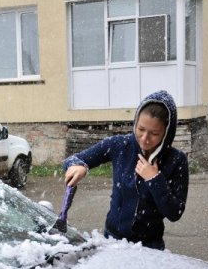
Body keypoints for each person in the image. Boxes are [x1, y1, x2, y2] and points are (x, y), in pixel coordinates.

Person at [63, 90, 189, 250]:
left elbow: (174, 212)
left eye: (154, 133)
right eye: (141, 129)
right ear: (135, 122)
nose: (145, 138)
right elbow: (73, 160)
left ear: (167, 132)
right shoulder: (120, 145)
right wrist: (80, 166)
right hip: (113, 242)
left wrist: (154, 179)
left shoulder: (176, 160)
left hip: (150, 247)